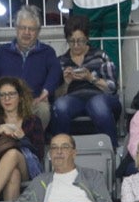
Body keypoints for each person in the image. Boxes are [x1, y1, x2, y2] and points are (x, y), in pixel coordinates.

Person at [51, 15, 123, 147]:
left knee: (98, 104)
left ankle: (112, 148)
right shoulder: (61, 61)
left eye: (81, 41)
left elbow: (112, 88)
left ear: (87, 38)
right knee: (60, 106)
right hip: (74, 99)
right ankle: (60, 148)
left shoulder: (100, 56)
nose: (76, 45)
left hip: (99, 96)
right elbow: (57, 97)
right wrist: (66, 83)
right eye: (72, 41)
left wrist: (91, 78)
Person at [0, 6, 61, 126]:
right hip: (6, 101)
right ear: (16, 29)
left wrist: (45, 93)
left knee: (44, 110)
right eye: (22, 28)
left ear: (38, 31)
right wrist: (1, 97)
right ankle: (0, 144)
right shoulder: (1, 52)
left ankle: (34, 143)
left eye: (31, 29)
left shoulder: (47, 52)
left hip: (34, 101)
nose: (26, 32)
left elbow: (56, 72)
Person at [0, 76, 46, 202]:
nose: (7, 99)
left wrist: (23, 138)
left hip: (28, 167)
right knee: (14, 174)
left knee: (12, 154)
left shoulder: (33, 121)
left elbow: (39, 153)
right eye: (3, 95)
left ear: (20, 97)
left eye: (11, 94)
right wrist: (1, 129)